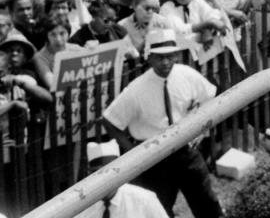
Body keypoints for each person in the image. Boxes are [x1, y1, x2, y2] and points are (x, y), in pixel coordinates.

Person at [102, 29, 222, 218]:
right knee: (158, 209)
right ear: (149, 58)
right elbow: (110, 120)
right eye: (159, 57)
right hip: (154, 157)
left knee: (206, 202)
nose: (165, 62)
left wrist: (200, 131)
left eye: (169, 56)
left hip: (185, 149)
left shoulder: (188, 75)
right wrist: (132, 151)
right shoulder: (136, 89)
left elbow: (209, 98)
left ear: (176, 55)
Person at [74, 140, 167, 218]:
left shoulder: (144, 200)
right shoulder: (81, 209)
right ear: (89, 175)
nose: (104, 180)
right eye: (98, 173)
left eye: (110, 173)